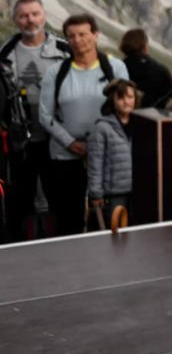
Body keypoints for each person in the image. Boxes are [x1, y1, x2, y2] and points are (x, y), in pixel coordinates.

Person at [39, 13, 123, 237]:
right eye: (71, 36)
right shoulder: (55, 72)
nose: (77, 40)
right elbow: (45, 115)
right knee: (68, 216)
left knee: (106, 214)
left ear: (96, 35)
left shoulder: (116, 68)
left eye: (83, 34)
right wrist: (71, 143)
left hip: (107, 154)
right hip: (65, 155)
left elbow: (126, 109)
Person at [4, 0, 67, 240]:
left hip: (59, 138)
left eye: (35, 14)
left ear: (44, 16)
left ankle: (66, 241)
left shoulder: (64, 50)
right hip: (20, 142)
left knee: (61, 195)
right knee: (19, 197)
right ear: (15, 20)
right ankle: (18, 244)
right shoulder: (4, 53)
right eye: (23, 16)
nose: (30, 20)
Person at [87, 79, 139, 231]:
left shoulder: (141, 124)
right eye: (121, 97)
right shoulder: (101, 128)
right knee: (115, 236)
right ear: (112, 100)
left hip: (137, 193)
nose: (126, 102)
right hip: (114, 195)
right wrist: (96, 194)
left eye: (130, 97)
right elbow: (95, 164)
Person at [116, 29, 172, 112]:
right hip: (152, 117)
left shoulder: (119, 67)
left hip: (121, 114)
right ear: (145, 45)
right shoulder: (162, 70)